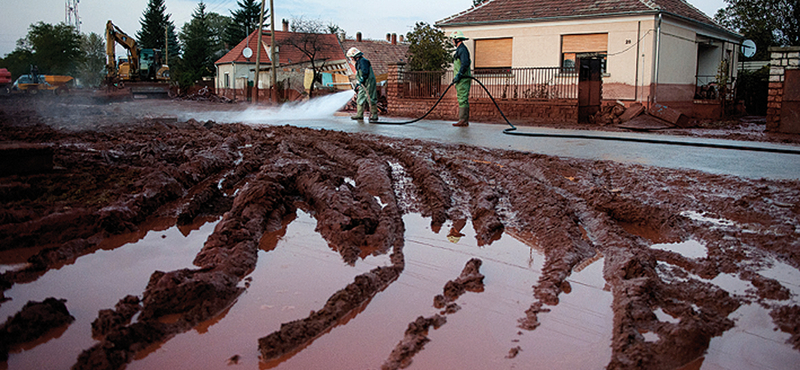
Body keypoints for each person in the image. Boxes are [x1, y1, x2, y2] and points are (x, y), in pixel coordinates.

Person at [347, 47, 379, 122]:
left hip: (369, 82)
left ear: (355, 56)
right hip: (363, 83)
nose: (351, 59)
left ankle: (374, 115)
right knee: (360, 98)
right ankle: (359, 115)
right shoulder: (358, 63)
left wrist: (361, 80)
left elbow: (365, 72)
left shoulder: (364, 61)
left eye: (351, 57)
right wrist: (357, 84)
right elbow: (359, 75)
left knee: (371, 98)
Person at [450, 31, 471, 127]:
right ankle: (463, 119)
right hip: (460, 78)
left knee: (462, 98)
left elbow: (465, 64)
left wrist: (459, 74)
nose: (452, 41)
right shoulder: (460, 50)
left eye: (453, 39)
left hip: (463, 78)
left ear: (456, 39)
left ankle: (463, 120)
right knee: (461, 98)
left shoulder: (462, 50)